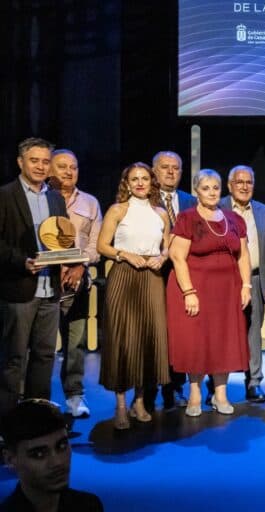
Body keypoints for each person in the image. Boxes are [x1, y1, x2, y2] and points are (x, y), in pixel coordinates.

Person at [167, 169, 250, 416]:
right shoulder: (187, 218)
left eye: (215, 188)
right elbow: (177, 257)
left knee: (223, 338)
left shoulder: (234, 219)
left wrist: (245, 285)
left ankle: (220, 393)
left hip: (227, 289)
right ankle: (195, 392)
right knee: (197, 339)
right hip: (197, 286)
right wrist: (189, 292)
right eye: (206, 188)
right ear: (196, 191)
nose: (212, 193)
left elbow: (243, 255)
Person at [97, 162, 171, 429]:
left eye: (144, 179)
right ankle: (120, 404)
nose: (140, 183)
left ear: (152, 183)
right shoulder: (117, 210)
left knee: (147, 337)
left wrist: (162, 258)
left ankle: (139, 400)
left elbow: (168, 245)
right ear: (126, 183)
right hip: (124, 275)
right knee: (123, 338)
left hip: (151, 277)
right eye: (134, 179)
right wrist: (124, 254)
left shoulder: (161, 213)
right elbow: (102, 245)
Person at [0, 137, 67, 416]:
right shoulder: (5, 195)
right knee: (13, 359)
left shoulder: (55, 197)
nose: (40, 166)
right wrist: (22, 262)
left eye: (44, 161)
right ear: (20, 162)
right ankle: (6, 421)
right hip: (18, 290)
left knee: (44, 356)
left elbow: (63, 240)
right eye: (34, 160)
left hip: (50, 289)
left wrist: (70, 260)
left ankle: (37, 419)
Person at [47, 149, 102, 418]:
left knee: (75, 343)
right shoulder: (40, 199)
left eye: (74, 166)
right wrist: (57, 267)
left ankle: (74, 396)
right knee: (41, 345)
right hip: (45, 281)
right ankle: (34, 397)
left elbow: (95, 246)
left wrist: (80, 264)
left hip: (78, 283)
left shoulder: (90, 203)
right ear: (49, 170)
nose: (69, 171)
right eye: (62, 166)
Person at [218, 165, 265, 403]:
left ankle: (254, 382)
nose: (244, 187)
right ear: (230, 185)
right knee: (222, 333)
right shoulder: (217, 207)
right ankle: (216, 386)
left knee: (253, 334)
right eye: (239, 182)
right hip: (223, 280)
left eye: (249, 182)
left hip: (254, 279)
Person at [148, 150, 195, 411]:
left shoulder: (190, 201)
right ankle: (149, 388)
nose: (170, 172)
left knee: (179, 334)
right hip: (153, 274)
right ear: (154, 171)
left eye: (176, 168)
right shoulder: (144, 199)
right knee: (155, 334)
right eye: (165, 167)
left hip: (183, 276)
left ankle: (175, 387)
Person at [0, 400, 103, 511]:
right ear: (10, 459)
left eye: (62, 446)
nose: (57, 462)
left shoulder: (89, 506)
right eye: (39, 454)